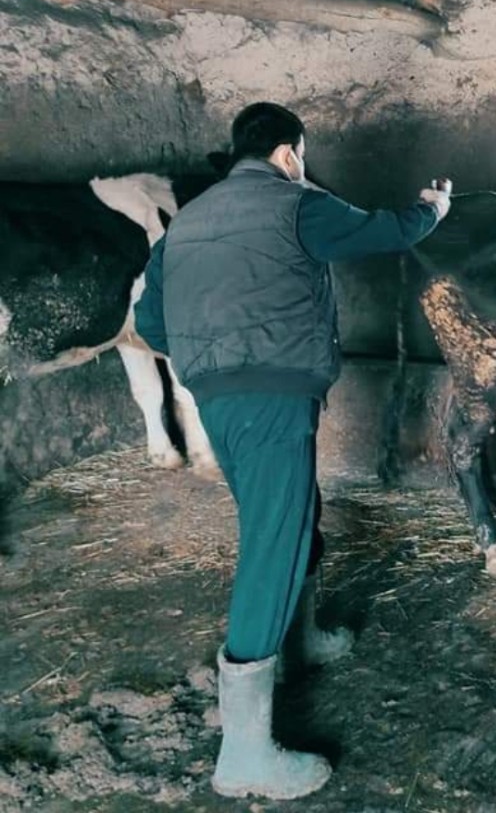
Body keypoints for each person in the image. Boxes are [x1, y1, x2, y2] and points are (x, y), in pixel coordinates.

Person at [134, 102, 451, 800]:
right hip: (273, 393)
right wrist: (433, 209)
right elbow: (381, 231)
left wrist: (209, 354)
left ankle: (301, 643)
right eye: (299, 156)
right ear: (287, 153)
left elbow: (149, 320)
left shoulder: (186, 222)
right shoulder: (292, 202)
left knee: (291, 516)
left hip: (219, 398)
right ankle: (244, 751)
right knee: (272, 542)